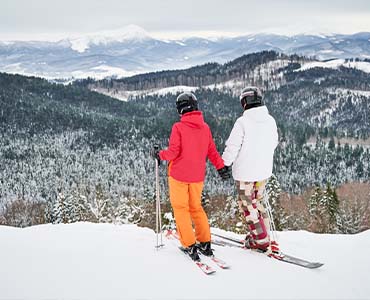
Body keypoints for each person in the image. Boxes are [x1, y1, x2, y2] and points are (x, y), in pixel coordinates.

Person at [151, 92, 230, 261]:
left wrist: (159, 154)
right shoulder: (205, 127)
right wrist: (221, 167)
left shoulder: (178, 127)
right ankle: (205, 242)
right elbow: (212, 152)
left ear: (180, 109)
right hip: (197, 177)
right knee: (196, 208)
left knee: (181, 209)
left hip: (178, 175)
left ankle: (189, 244)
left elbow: (173, 153)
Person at [222, 86, 279, 253]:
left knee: (248, 205)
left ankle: (260, 239)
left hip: (245, 173)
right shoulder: (271, 120)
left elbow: (232, 147)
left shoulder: (242, 123)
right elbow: (273, 143)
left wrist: (225, 164)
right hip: (263, 172)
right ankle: (263, 234)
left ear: (244, 103)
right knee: (258, 202)